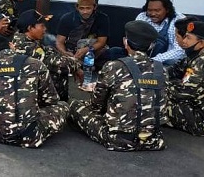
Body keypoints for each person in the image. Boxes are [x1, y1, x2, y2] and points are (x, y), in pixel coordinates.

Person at [69, 20, 167, 151]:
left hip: (119, 140)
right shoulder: (162, 70)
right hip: (153, 139)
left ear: (125, 42)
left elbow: (97, 104)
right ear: (151, 46)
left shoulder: (114, 66)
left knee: (75, 106)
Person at [0, 27, 68, 148]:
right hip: (28, 137)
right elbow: (51, 100)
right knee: (63, 106)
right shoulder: (35, 64)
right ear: (11, 45)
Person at [11, 9, 81, 101]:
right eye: (42, 26)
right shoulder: (26, 46)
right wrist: (76, 65)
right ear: (30, 28)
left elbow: (48, 51)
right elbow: (58, 64)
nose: (45, 29)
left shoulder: (24, 38)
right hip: (35, 97)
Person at [55, 0, 113, 66]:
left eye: (88, 8)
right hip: (71, 52)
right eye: (81, 8)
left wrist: (87, 50)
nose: (85, 12)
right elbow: (59, 42)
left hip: (92, 53)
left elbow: (102, 42)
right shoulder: (67, 18)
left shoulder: (102, 18)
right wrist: (64, 52)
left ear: (94, 7)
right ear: (77, 7)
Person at [135, 0, 186, 65]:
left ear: (167, 10)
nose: (153, 14)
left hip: (166, 61)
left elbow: (180, 51)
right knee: (116, 51)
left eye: (157, 10)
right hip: (144, 56)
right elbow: (134, 41)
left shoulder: (178, 20)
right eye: (149, 10)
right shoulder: (142, 17)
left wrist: (152, 61)